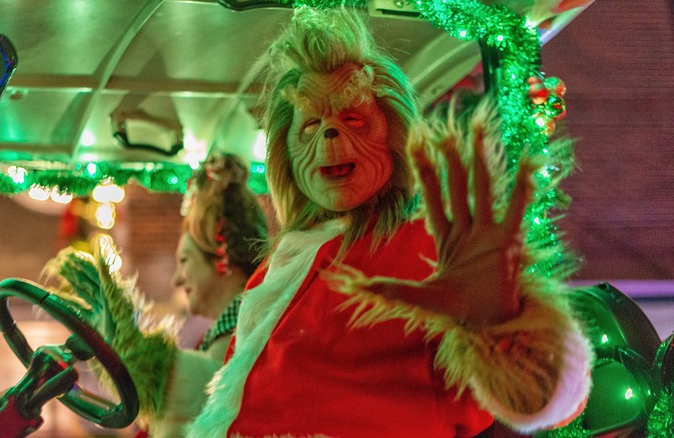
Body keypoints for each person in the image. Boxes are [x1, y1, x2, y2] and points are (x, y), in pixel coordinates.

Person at [184, 6, 593, 437]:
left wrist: (507, 333)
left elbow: (554, 399)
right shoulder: (277, 268)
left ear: (394, 135)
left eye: (353, 119)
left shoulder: (431, 246)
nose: (330, 135)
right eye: (310, 125)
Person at [43, 153, 269, 437]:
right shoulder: (232, 329)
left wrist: (124, 340)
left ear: (222, 257)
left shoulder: (252, 328)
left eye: (185, 261)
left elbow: (204, 390)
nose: (177, 278)